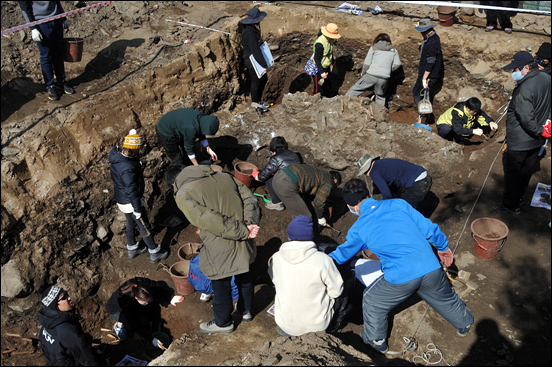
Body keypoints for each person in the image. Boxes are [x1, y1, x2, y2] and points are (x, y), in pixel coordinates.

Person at [329, 179, 474, 353]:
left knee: (372, 300)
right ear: (367, 194)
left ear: (351, 206)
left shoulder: (359, 227)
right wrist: (443, 247)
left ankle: (376, 341)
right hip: (430, 266)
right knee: (444, 297)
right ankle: (465, 322)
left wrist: (321, 261)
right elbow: (428, 228)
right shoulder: (398, 204)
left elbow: (341, 254)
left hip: (401, 277)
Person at [171, 165, 261, 334]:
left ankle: (223, 323)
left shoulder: (183, 194)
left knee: (221, 284)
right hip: (245, 237)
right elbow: (249, 198)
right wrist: (249, 224)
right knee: (245, 274)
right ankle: (245, 311)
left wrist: (242, 230)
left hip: (221, 242)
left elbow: (206, 218)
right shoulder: (225, 177)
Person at [268, 215, 346, 337]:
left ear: (289, 236)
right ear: (311, 239)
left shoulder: (276, 258)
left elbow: (275, 280)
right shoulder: (323, 260)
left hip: (284, 324)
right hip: (316, 327)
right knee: (343, 294)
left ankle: (292, 327)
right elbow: (336, 291)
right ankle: (332, 330)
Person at [494, 51, 551, 214]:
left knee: (513, 174)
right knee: (526, 170)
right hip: (537, 140)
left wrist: (539, 129)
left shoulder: (523, 90)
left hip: (520, 140)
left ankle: (510, 205)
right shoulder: (546, 78)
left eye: (515, 69)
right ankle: (520, 197)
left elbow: (526, 118)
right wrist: (546, 126)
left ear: (526, 67)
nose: (514, 73)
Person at [109, 129, 169, 263]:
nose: (140, 153)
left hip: (122, 199)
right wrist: (137, 209)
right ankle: (154, 252)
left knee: (130, 224)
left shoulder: (117, 158)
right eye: (138, 150)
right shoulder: (127, 168)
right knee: (144, 225)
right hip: (130, 202)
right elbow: (131, 190)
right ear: (131, 150)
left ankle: (132, 249)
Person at [19, 1, 76, 101]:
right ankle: (50, 85)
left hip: (56, 19)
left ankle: (61, 81)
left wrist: (63, 17)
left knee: (58, 53)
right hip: (41, 24)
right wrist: (33, 28)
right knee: (46, 55)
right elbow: (25, 8)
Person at [106, 277, 183, 349]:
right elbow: (134, 323)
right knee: (131, 324)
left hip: (134, 305)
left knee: (148, 312)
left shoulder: (141, 283)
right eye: (145, 302)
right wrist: (151, 339)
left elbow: (158, 287)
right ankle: (119, 325)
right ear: (136, 298)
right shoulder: (125, 301)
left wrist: (170, 298)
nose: (147, 303)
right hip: (116, 310)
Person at [38, 285, 99, 366]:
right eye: (64, 297)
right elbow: (86, 358)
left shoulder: (47, 322)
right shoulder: (67, 330)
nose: (69, 298)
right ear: (56, 306)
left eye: (67, 294)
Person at [272, 163, 341, 227]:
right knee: (304, 217)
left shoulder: (320, 173)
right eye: (335, 186)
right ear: (335, 180)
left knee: (299, 211)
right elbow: (318, 204)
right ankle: (298, 237)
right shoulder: (328, 182)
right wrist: (320, 218)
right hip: (286, 184)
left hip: (278, 175)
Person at [357, 154, 432, 211]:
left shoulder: (374, 173)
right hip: (424, 176)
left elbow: (386, 194)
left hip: (417, 183)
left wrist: (385, 209)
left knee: (404, 210)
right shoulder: (382, 163)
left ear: (366, 170)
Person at [345, 33, 401, 106]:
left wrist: (363, 72)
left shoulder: (374, 48)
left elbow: (367, 63)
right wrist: (387, 70)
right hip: (384, 78)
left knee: (355, 90)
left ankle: (343, 102)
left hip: (371, 75)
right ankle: (380, 113)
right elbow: (397, 64)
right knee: (380, 96)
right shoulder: (394, 50)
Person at [252, 136, 301, 211]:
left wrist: (256, 174)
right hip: (298, 187)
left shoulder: (276, 158)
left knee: (268, 178)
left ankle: (277, 202)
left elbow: (262, 176)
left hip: (287, 187)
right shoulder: (294, 155)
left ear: (273, 149)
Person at [412, 18, 444, 125]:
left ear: (427, 30)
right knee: (424, 94)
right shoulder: (433, 37)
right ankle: (424, 116)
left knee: (419, 93)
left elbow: (431, 62)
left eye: (422, 31)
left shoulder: (432, 44)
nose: (421, 33)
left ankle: (424, 116)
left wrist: (425, 78)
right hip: (427, 74)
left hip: (429, 75)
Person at [241, 7, 270, 113]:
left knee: (263, 80)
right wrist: (264, 64)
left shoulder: (251, 28)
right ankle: (255, 104)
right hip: (252, 60)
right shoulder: (249, 33)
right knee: (256, 82)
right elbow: (255, 50)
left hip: (255, 58)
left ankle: (258, 101)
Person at [312, 23, 341, 97]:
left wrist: (333, 62)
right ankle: (316, 100)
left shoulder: (329, 40)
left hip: (326, 67)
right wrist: (322, 72)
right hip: (319, 69)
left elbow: (329, 52)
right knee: (319, 86)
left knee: (326, 84)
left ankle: (326, 97)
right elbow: (317, 59)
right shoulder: (320, 44)